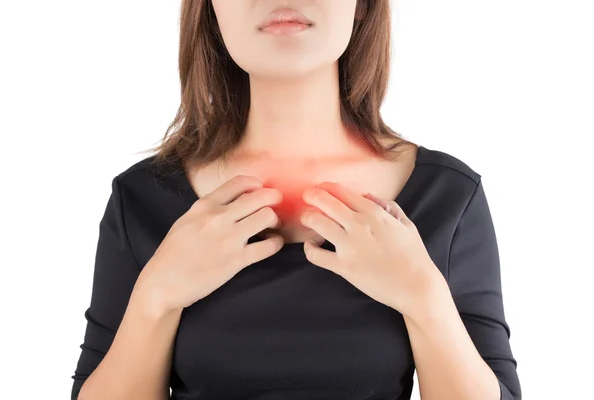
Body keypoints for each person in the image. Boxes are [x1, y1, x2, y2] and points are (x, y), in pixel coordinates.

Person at [71, 1, 521, 399]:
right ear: (211, 8)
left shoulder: (449, 198)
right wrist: (156, 297)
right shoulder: (141, 201)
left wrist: (424, 299)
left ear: (361, 5)